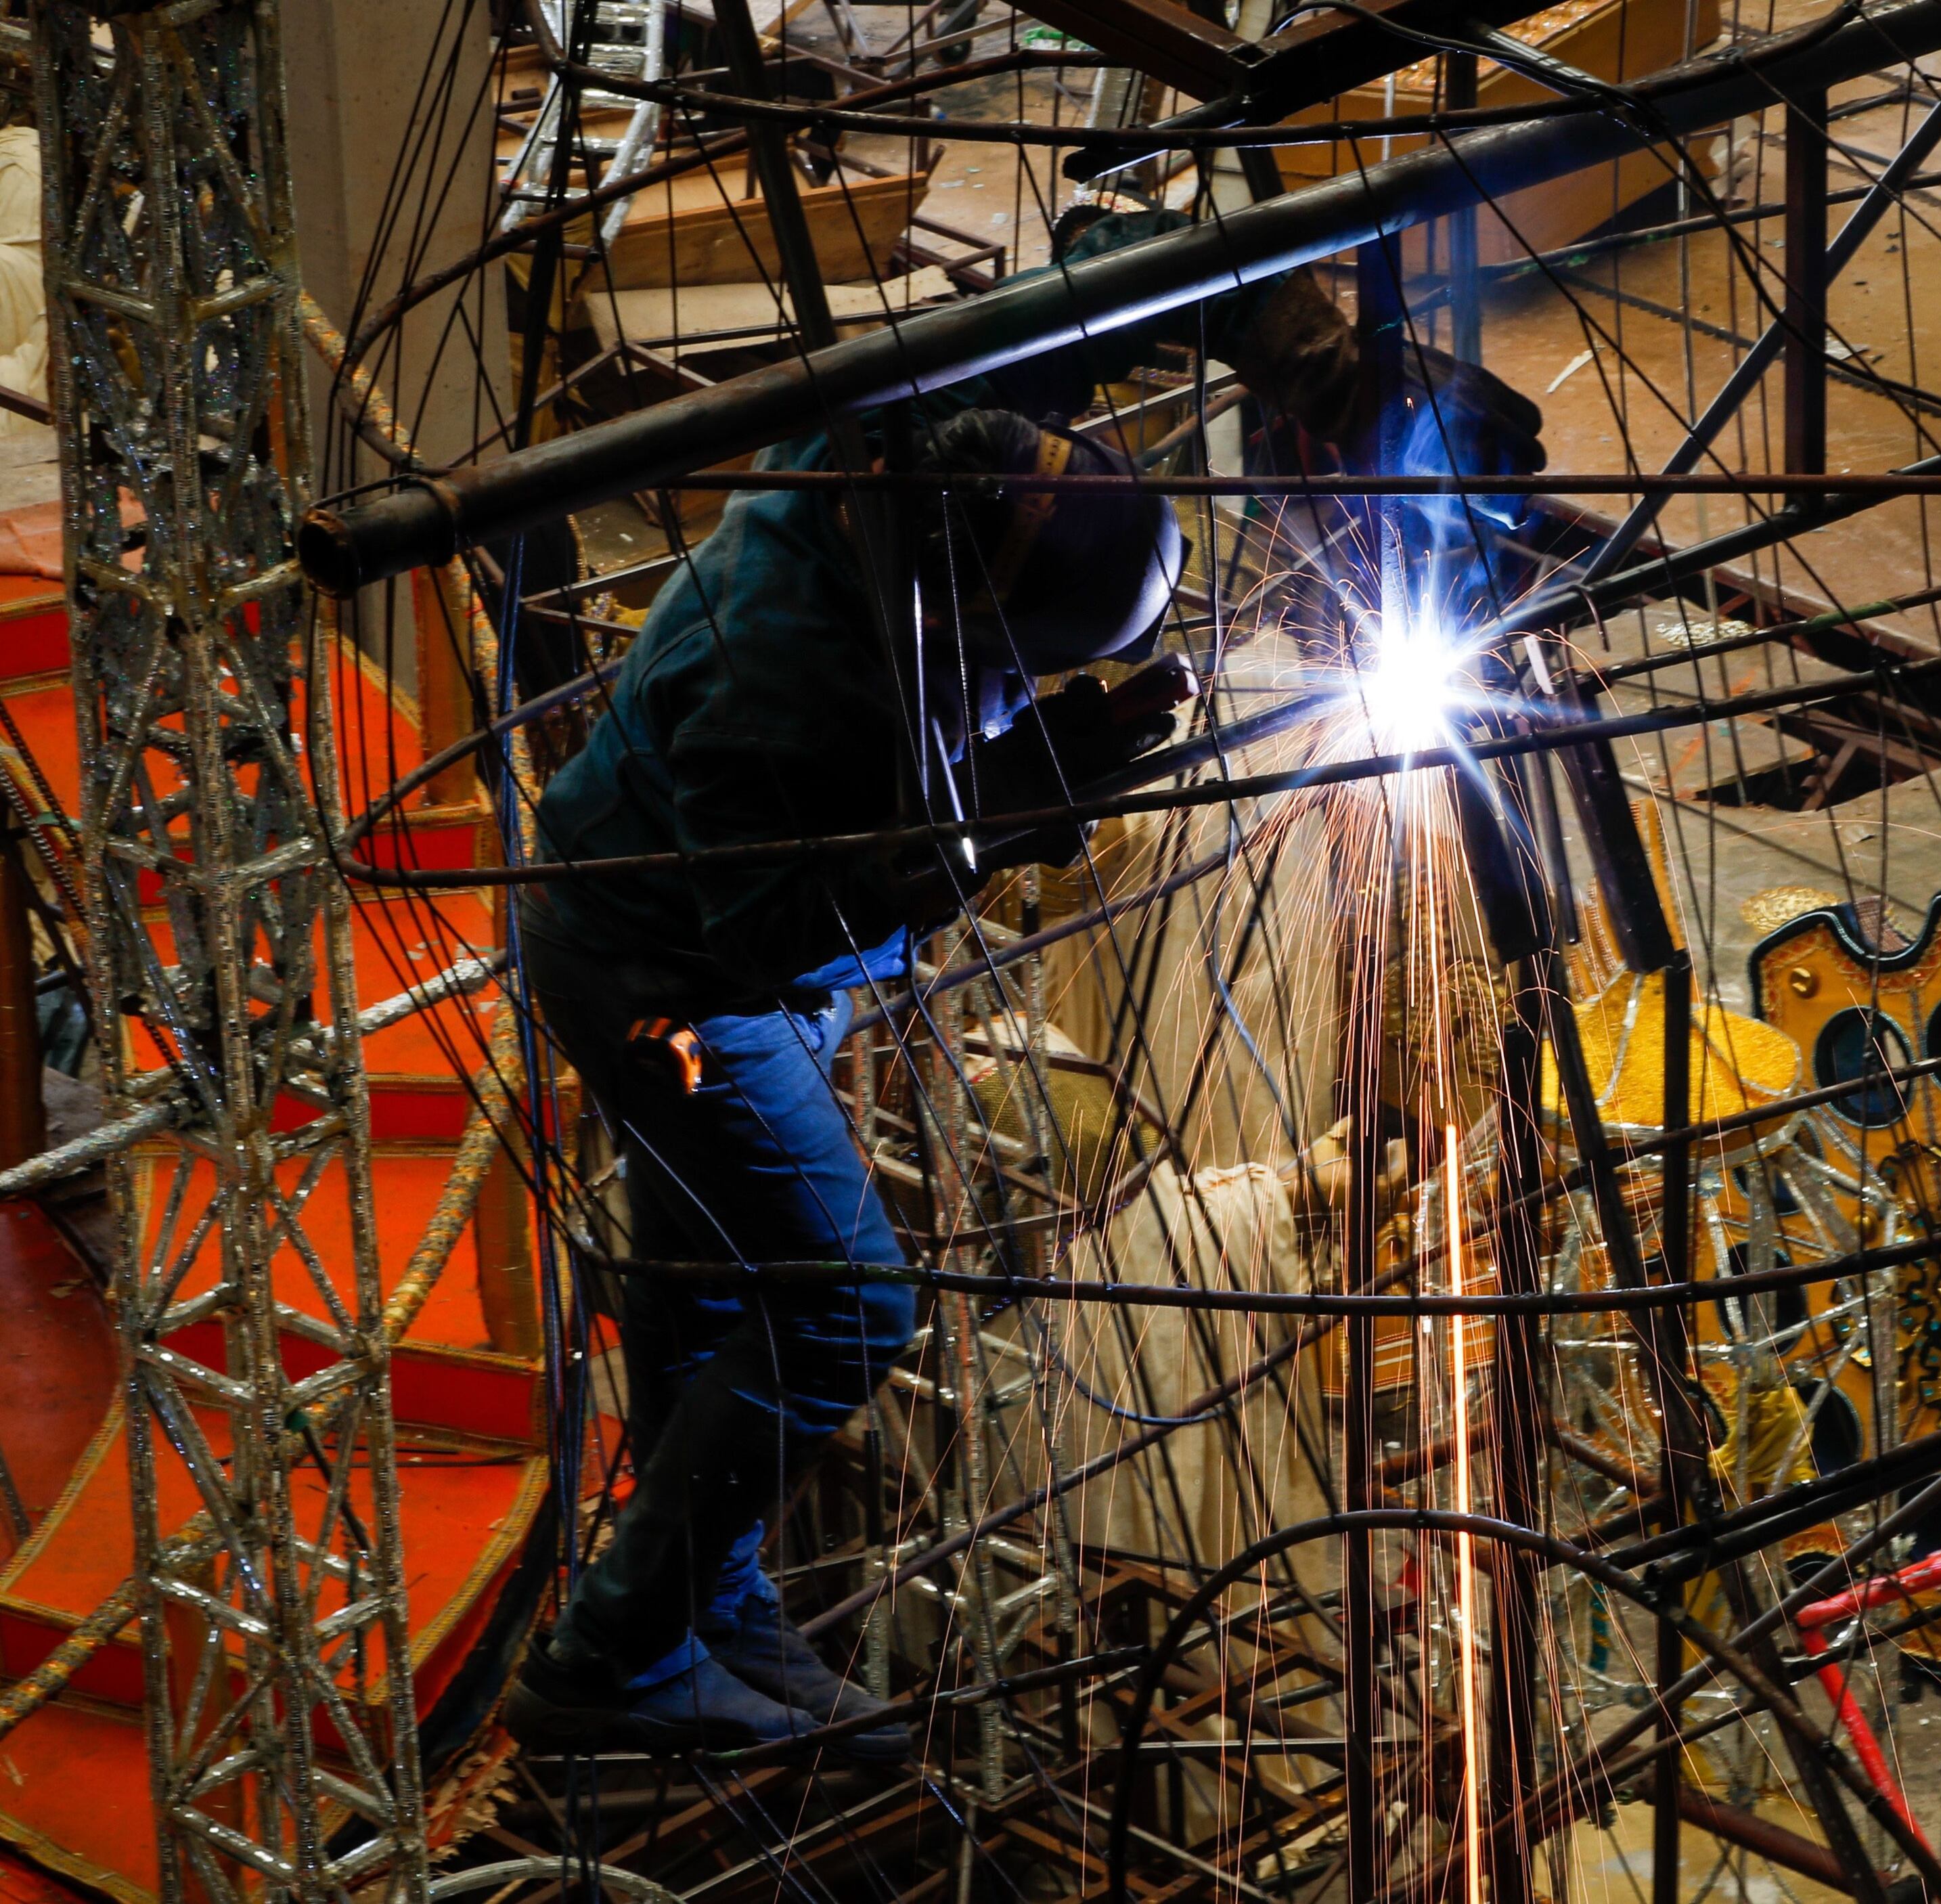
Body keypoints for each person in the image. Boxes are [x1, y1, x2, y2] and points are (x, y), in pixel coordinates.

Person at [507, 207, 1542, 1757]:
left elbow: (1122, 276)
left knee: (713, 1291)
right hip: (675, 986)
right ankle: (612, 1659)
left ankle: (706, 1617)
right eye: (1030, 670)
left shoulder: (937, 448)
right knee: (846, 1304)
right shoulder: (806, 695)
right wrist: (1013, 802)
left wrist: (1324, 369)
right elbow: (787, 917)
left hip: (716, 934)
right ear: (977, 625)